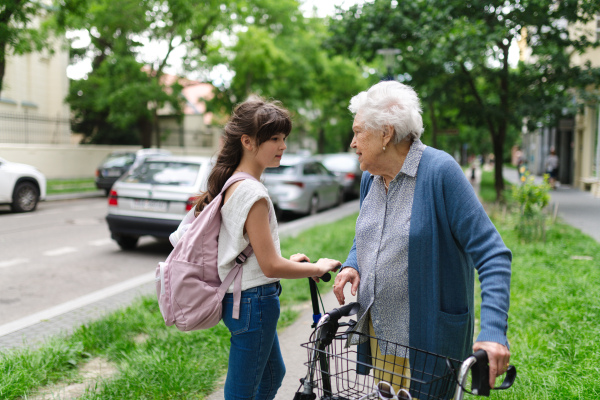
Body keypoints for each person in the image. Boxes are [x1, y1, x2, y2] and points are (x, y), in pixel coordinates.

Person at [332, 81, 512, 392]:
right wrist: (352, 263)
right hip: (382, 334)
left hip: (428, 340)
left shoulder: (440, 172)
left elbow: (493, 253)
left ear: (386, 134)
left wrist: (494, 330)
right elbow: (370, 231)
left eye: (359, 131)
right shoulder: (370, 178)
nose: (352, 142)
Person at [193, 97, 341, 400]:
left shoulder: (233, 181)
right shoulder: (252, 192)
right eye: (274, 138)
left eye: (284, 137)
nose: (282, 145)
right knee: (241, 393)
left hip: (245, 299)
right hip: (253, 303)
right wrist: (316, 268)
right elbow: (270, 266)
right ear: (248, 141)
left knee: (273, 375)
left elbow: (251, 254)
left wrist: (291, 262)